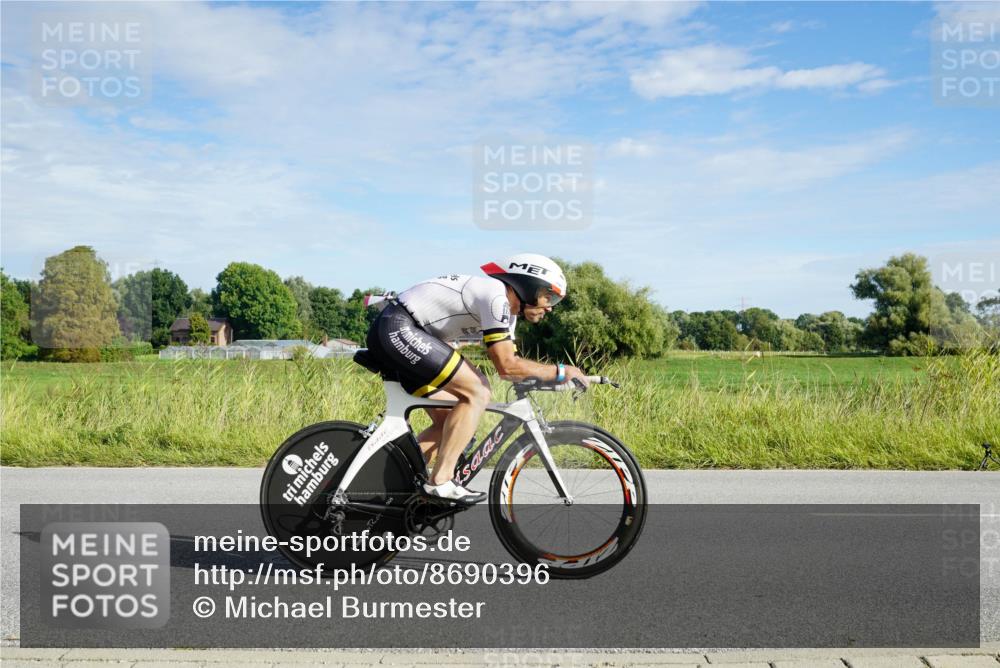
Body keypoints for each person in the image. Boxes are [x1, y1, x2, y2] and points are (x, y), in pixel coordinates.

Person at [364, 253, 590, 503]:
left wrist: (548, 379)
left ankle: (387, 485)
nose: (550, 306)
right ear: (528, 286)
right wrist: (560, 371)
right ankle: (440, 482)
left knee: (451, 422)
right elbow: (506, 366)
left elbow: (513, 368)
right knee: (477, 391)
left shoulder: (508, 314)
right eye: (550, 296)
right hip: (399, 327)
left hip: (405, 333)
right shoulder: (495, 295)